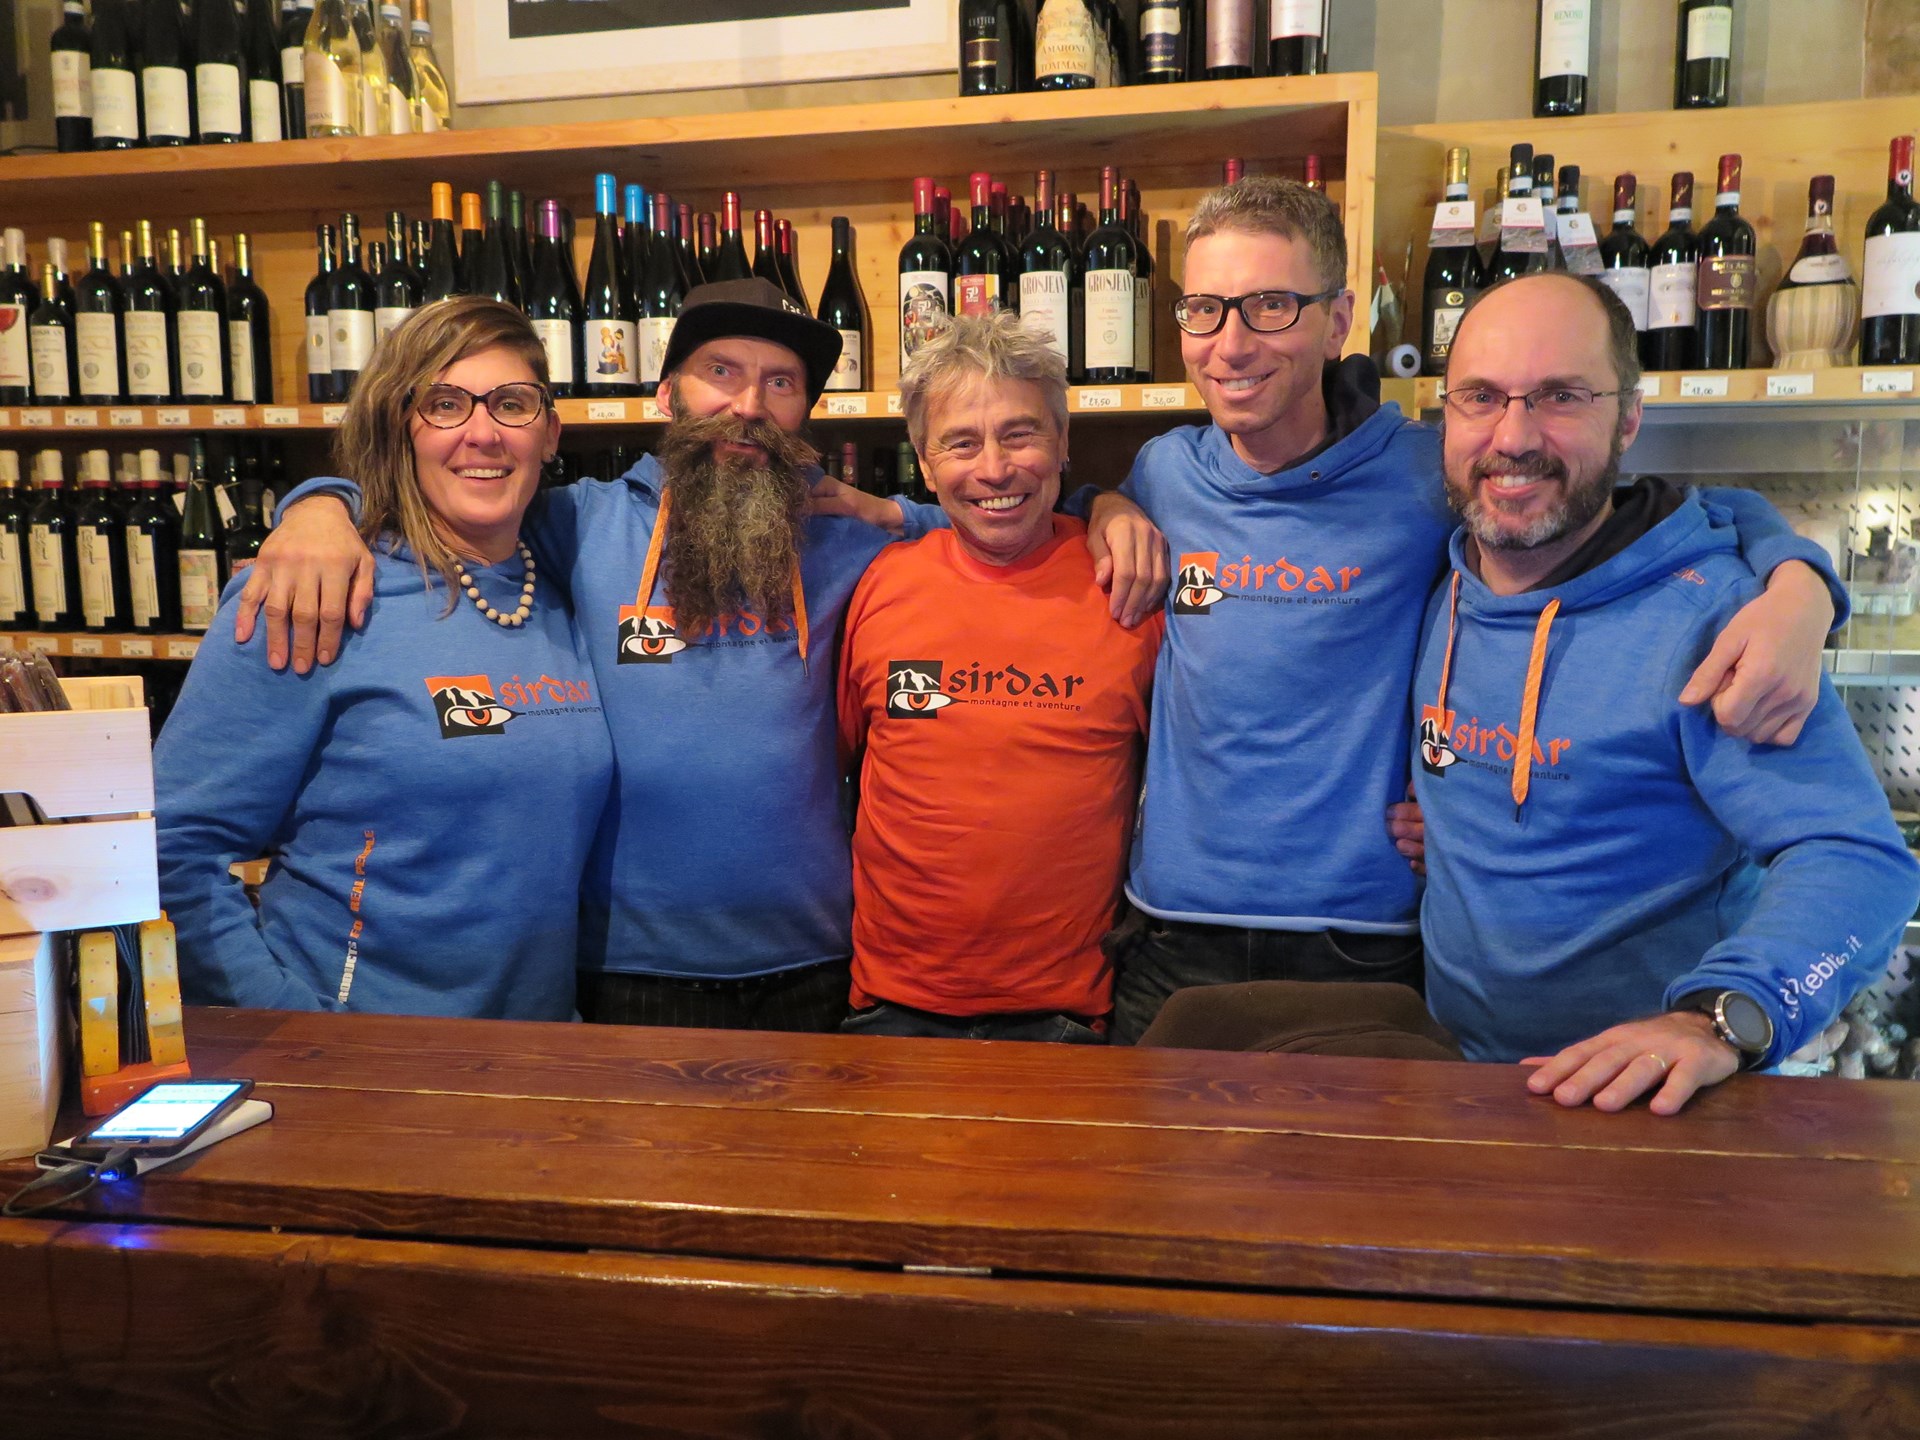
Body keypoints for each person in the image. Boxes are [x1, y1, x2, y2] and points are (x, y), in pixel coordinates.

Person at [237, 279, 1166, 1032]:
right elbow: (452, 495)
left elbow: (991, 510)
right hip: (625, 970)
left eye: (780, 383)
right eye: (721, 372)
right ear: (666, 392)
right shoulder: (573, 524)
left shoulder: (852, 537)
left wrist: (1105, 506)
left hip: (820, 966)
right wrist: (320, 504)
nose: (748, 405)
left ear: (806, 413)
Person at [1101, 176, 1847, 1044]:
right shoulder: (1164, 474)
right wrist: (1105, 507)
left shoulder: (1430, 469)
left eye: (1270, 306)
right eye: (1203, 309)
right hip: (1170, 931)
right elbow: (1045, 515)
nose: (1231, 344)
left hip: (1364, 942)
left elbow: (1671, 510)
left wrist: (1800, 583)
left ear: (1338, 322)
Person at [1414, 271, 1920, 1113]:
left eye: (1561, 396)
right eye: (1482, 397)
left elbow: (1858, 858)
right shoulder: (1444, 574)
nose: (1513, 435)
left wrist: (1720, 1019)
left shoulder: (1716, 620)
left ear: (1629, 418)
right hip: (1459, 1081)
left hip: (1652, 1106)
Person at [155, 298, 614, 1019]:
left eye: (512, 404)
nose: (483, 433)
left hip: (542, 1050)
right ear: (400, 426)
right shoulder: (316, 592)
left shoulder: (565, 585)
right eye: (445, 405)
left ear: (550, 432)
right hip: (362, 1055)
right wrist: (291, 1027)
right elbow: (173, 848)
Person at [837, 314, 1161, 1042]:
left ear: (1063, 442)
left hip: (1070, 1015)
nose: (992, 469)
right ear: (924, 466)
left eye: (1020, 434)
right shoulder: (881, 584)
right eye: (960, 443)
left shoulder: (1126, 586)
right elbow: (836, 770)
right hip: (892, 1007)